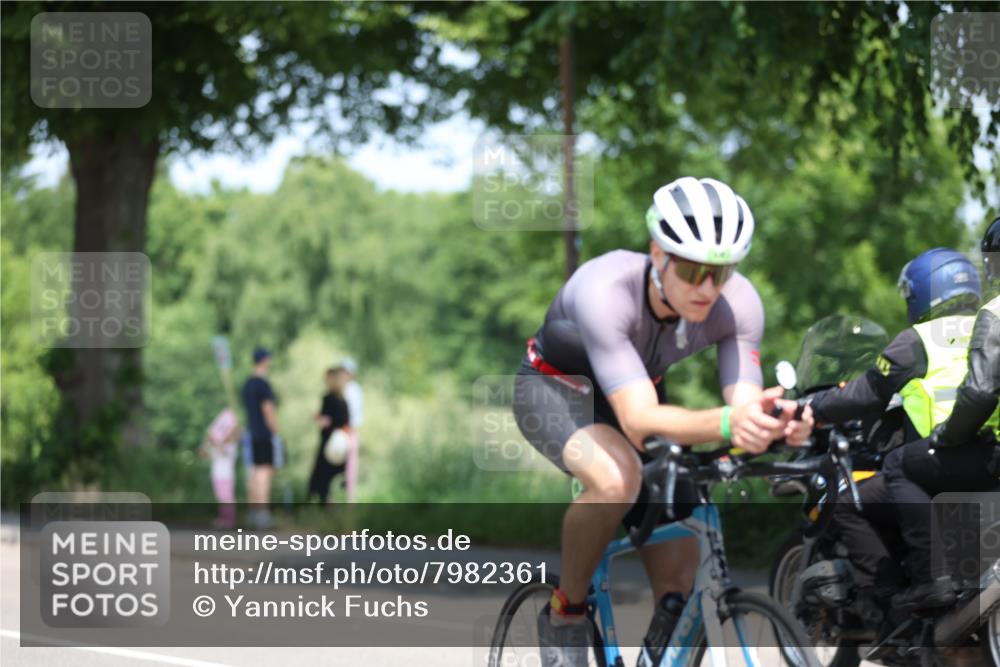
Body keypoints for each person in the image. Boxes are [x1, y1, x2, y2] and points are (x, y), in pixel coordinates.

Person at [511, 176, 813, 667]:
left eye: (722, 272)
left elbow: (743, 403)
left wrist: (778, 423)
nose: (708, 288)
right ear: (658, 255)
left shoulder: (738, 303)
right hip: (558, 391)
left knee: (679, 578)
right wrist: (729, 423)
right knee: (617, 480)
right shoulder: (605, 290)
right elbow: (638, 421)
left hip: (639, 389)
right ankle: (566, 611)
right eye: (693, 271)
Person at [804, 247, 983, 628]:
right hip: (990, 456)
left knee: (849, 501)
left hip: (942, 461)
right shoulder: (991, 325)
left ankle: (890, 606)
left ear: (922, 293)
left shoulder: (919, 339)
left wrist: (813, 408)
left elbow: (864, 393)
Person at [884, 218, 1000, 610]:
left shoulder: (996, 313)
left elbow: (981, 393)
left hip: (990, 453)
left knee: (899, 465)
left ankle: (932, 580)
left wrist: (948, 436)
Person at [241, 346, 281, 529]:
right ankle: (263, 514)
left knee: (254, 472)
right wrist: (275, 429)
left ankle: (252, 513)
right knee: (264, 473)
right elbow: (268, 409)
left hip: (251, 432)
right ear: (265, 360)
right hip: (264, 433)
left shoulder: (247, 384)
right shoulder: (263, 385)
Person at [307, 367, 351, 503]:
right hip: (341, 441)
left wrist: (319, 418)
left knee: (322, 474)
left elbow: (327, 421)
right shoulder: (343, 400)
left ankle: (322, 500)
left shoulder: (329, 399)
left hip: (330, 441)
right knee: (336, 474)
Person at [340, 357, 363, 503]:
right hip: (340, 432)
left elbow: (353, 414)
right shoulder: (340, 388)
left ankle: (350, 500)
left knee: (350, 468)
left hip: (349, 431)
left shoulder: (354, 390)